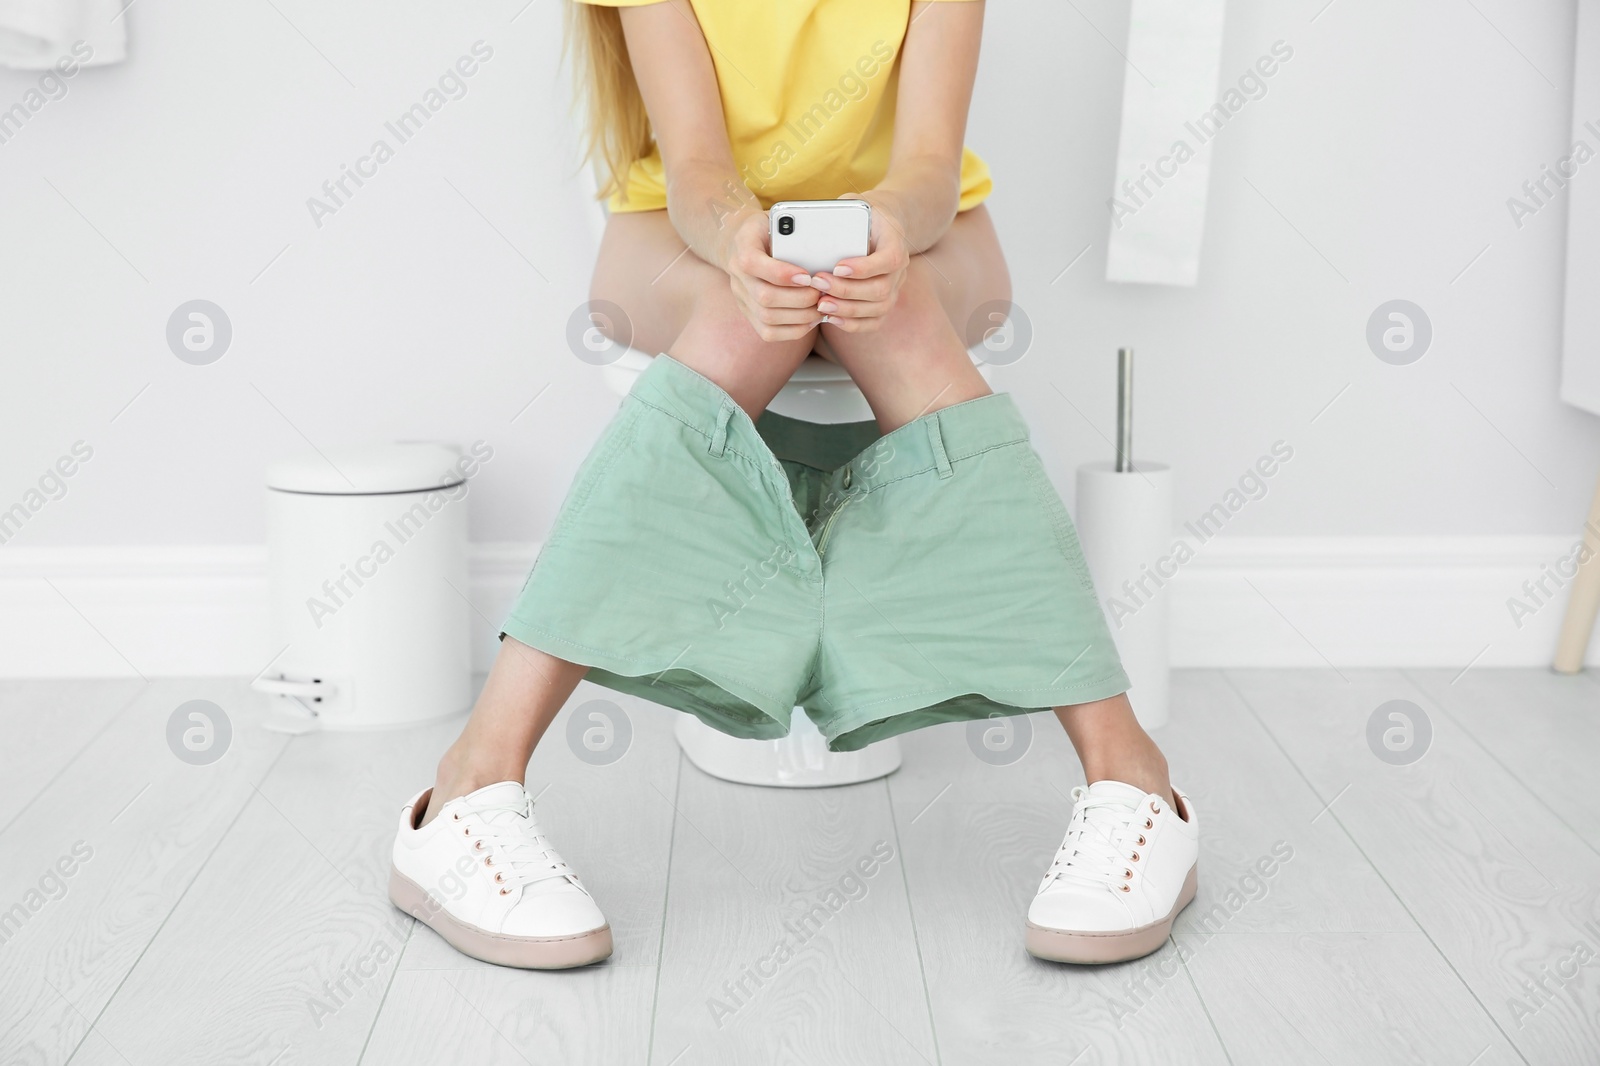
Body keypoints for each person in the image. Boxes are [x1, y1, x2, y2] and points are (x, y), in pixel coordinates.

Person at [387, 0, 1198, 970]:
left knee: (892, 311)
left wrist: (884, 228)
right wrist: (741, 238)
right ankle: (468, 788)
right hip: (684, 232)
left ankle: (1131, 778)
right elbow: (693, 170)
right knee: (743, 319)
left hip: (930, 234)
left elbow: (930, 169)